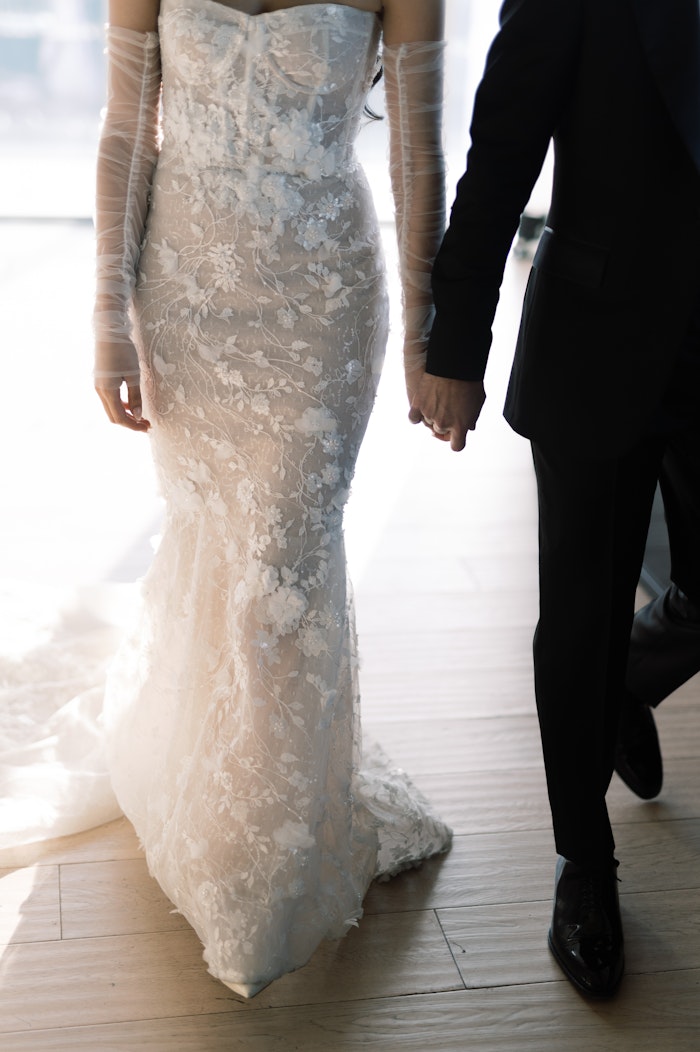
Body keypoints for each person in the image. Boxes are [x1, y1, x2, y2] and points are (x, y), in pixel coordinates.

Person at [92, 0, 451, 998]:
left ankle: (268, 875)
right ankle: (217, 803)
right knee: (218, 542)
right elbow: (127, 128)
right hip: (186, 293)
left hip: (322, 294)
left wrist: (429, 334)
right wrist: (108, 317)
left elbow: (417, 157)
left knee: (277, 575)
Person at [409, 0, 700, 999]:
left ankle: (624, 687)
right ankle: (585, 865)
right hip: (598, 338)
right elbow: (499, 157)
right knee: (578, 620)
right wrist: (453, 344)